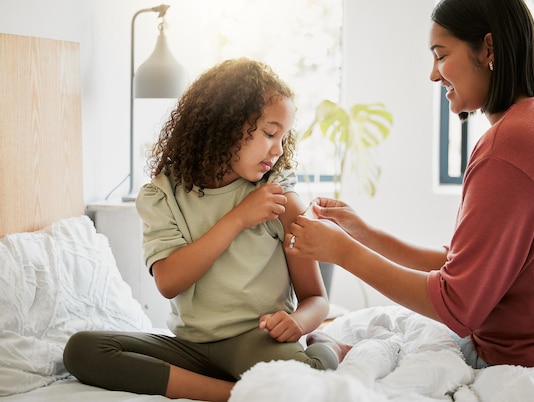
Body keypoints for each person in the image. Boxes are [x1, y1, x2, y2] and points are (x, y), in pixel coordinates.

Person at [285, 0, 534, 376]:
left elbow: (457, 306)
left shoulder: (510, 146)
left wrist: (342, 252)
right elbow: (463, 266)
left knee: (397, 347)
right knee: (397, 337)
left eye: (441, 55)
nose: (433, 75)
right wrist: (363, 234)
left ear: (489, 49)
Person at [63, 58, 351, 402]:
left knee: (308, 384)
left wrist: (300, 324)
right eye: (270, 133)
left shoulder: (280, 199)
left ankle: (328, 347)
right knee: (82, 350)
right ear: (225, 125)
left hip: (254, 342)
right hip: (191, 347)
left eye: (283, 137)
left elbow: (316, 299)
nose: (277, 149)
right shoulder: (162, 194)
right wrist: (239, 218)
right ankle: (237, 393)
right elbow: (169, 282)